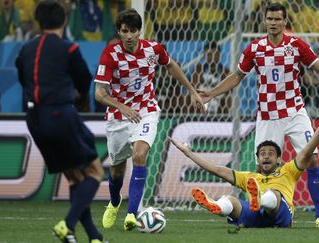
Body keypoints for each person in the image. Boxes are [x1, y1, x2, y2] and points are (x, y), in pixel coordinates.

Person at [199, 3, 319, 228]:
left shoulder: (297, 45)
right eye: (269, 19)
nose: (272, 23)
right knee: (262, 166)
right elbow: (237, 76)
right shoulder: (255, 48)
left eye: (276, 19)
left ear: (284, 22)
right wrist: (211, 94)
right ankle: (260, 213)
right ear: (265, 21)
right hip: (268, 115)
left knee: (311, 158)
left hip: (294, 112)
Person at [93, 8, 205, 231]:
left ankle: (132, 214)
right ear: (119, 31)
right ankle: (114, 202)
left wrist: (191, 90)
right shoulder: (110, 54)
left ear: (139, 31)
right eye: (124, 31)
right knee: (116, 170)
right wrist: (122, 107)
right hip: (118, 116)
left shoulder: (153, 49)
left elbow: (171, 65)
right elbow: (99, 93)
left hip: (146, 110)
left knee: (140, 154)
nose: (129, 36)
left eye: (133, 31)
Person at [15, 1, 104, 242]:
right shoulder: (69, 49)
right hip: (60, 115)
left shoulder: (25, 49)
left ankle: (93, 237)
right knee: (95, 172)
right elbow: (85, 81)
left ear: (39, 22)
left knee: (75, 177)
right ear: (64, 21)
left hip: (34, 120)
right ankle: (67, 224)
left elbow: (23, 78)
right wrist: (78, 96)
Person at [170, 101, 319, 228]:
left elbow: (307, 151)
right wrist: (188, 153)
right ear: (257, 159)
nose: (266, 157)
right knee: (231, 200)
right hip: (256, 215)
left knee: (275, 194)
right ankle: (218, 206)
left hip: (281, 216)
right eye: (262, 154)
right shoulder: (250, 177)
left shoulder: (287, 171)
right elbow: (216, 170)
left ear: (279, 159)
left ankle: (260, 198)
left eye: (271, 154)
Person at [192, 41, 231, 114]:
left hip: (218, 100)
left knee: (228, 98)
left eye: (213, 54)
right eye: (208, 54)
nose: (211, 57)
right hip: (202, 99)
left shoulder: (225, 72)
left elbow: (227, 91)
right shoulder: (199, 69)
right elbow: (194, 87)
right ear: (205, 55)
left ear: (218, 55)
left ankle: (222, 118)